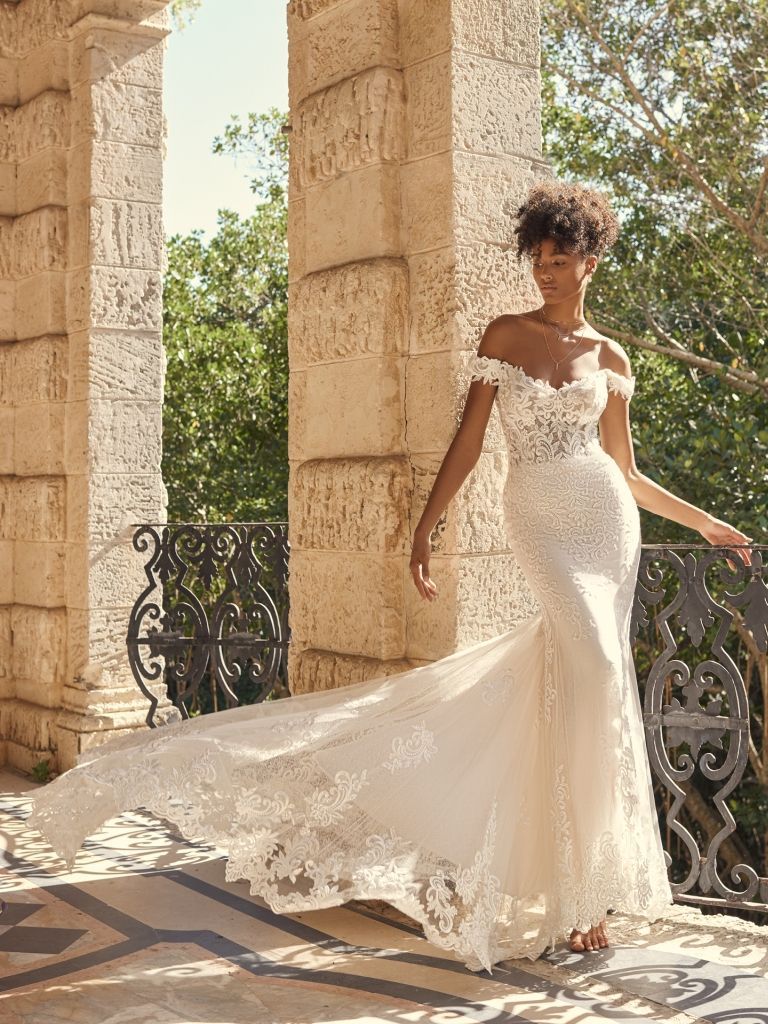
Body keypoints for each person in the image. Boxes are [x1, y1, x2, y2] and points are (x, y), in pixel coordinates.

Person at [26, 179, 753, 975]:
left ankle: (583, 890)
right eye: (537, 258)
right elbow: (469, 444)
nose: (544, 270)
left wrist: (706, 523)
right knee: (597, 666)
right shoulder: (506, 335)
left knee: (592, 686)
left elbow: (627, 469)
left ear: (591, 260)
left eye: (559, 258)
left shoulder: (610, 358)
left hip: (609, 522)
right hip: (540, 517)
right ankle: (573, 887)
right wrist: (427, 524)